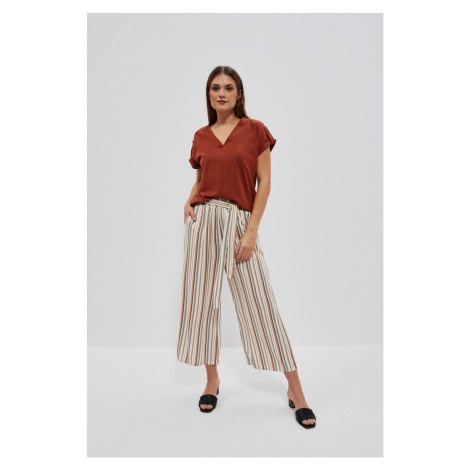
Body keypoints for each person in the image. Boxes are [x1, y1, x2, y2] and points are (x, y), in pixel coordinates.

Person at [176, 66, 316, 429]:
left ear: (239, 94)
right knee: (202, 303)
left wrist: (251, 230)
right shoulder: (201, 136)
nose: (221, 93)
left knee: (261, 303)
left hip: (240, 221)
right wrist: (189, 201)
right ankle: (212, 380)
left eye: (229, 87)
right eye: (215, 88)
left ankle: (296, 390)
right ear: (209, 94)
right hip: (204, 222)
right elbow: (202, 180)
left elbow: (264, 183)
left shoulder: (255, 130)